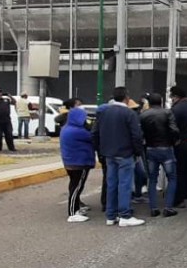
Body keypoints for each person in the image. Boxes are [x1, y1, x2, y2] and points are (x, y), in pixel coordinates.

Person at [93, 87, 145, 227]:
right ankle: (125, 215)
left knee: (112, 184)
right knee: (125, 184)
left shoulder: (103, 113)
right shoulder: (129, 114)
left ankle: (111, 215)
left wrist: (100, 151)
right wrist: (137, 152)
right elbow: (136, 135)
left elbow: (95, 133)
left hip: (108, 153)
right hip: (125, 153)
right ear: (126, 98)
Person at [140, 93, 180, 218]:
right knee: (172, 178)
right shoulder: (167, 113)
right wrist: (175, 141)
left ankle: (153, 207)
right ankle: (168, 207)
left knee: (152, 179)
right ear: (161, 101)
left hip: (151, 148)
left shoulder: (143, 115)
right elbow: (174, 130)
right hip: (166, 148)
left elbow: (140, 133)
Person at [59, 106, 95, 223]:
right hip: (79, 162)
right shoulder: (78, 131)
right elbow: (93, 137)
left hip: (71, 161)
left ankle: (76, 209)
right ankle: (72, 213)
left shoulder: (67, 128)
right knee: (76, 187)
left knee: (74, 185)